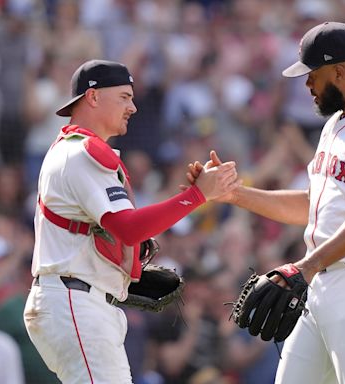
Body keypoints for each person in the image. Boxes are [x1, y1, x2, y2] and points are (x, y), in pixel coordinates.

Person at [188, 22, 345, 383]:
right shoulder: (335, 125)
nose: (307, 85)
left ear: (340, 71)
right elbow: (313, 205)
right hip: (323, 282)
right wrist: (234, 194)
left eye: (312, 74)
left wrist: (306, 266)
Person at [23, 59, 240, 384]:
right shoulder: (82, 152)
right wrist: (197, 196)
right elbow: (129, 227)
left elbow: (122, 232)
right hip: (76, 299)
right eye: (124, 96)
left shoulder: (75, 150)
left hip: (79, 298)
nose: (133, 107)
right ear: (93, 97)